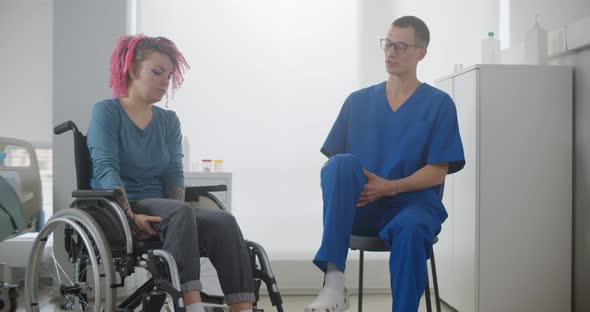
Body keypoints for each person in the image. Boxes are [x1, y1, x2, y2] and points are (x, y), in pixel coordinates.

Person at [305, 16, 465, 312]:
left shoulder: (439, 104)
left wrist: (390, 187)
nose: (391, 52)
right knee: (338, 164)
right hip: (364, 206)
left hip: (411, 207)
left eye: (400, 46)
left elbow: (439, 170)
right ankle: (334, 284)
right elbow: (335, 168)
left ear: (421, 53)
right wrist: (362, 186)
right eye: (388, 44)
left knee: (412, 227)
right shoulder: (358, 102)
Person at [87, 34, 255, 312]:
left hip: (166, 210)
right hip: (119, 208)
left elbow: (174, 173)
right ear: (131, 70)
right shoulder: (107, 112)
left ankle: (243, 307)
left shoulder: (168, 121)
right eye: (157, 72)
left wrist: (178, 206)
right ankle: (191, 305)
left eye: (168, 74)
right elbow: (106, 168)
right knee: (180, 213)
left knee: (223, 220)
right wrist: (130, 216)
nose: (165, 81)